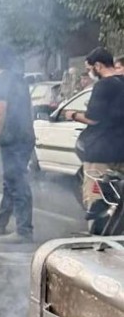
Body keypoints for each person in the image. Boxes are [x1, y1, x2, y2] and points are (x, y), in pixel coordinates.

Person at [0, 45, 36, 244]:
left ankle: (24, 231)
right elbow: (28, 109)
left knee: (18, 183)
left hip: (13, 140)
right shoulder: (19, 80)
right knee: (10, 181)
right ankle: (0, 222)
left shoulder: (0, 81)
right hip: (25, 137)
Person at [65, 48, 124, 214]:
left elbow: (93, 118)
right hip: (121, 151)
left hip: (101, 153)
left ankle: (97, 235)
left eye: (89, 69)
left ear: (98, 65)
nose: (89, 73)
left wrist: (74, 115)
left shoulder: (103, 85)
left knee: (96, 200)